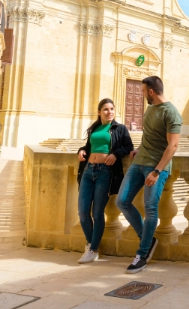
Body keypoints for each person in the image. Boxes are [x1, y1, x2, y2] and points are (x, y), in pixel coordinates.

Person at [116, 76, 182, 274]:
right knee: (122, 201)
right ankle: (148, 238)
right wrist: (138, 148)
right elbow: (149, 136)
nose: (142, 95)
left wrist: (157, 171)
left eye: (144, 92)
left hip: (156, 167)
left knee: (150, 208)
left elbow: (173, 146)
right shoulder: (150, 108)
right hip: (139, 162)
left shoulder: (171, 113)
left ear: (151, 92)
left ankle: (142, 253)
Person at [76, 98, 133, 263]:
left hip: (105, 172)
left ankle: (93, 249)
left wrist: (115, 154)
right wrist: (81, 151)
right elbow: (88, 147)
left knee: (97, 212)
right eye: (106, 109)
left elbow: (128, 147)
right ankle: (91, 244)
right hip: (88, 171)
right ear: (99, 112)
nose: (110, 112)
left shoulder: (119, 128)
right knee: (83, 212)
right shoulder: (94, 128)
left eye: (112, 109)